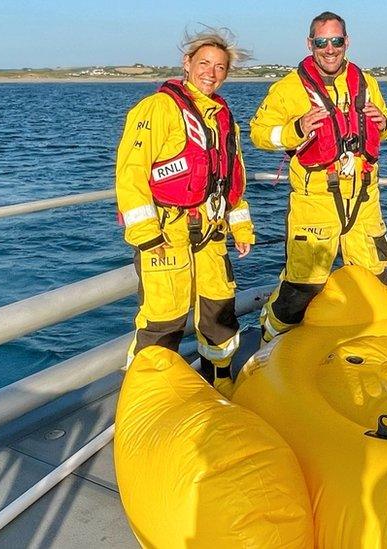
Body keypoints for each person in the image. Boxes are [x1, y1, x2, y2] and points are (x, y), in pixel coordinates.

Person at [115, 28, 254, 397]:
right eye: (204, 63)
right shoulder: (157, 109)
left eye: (220, 67)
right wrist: (146, 235)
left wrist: (242, 227)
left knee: (219, 314)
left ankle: (219, 379)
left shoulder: (223, 118)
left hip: (211, 236)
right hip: (166, 236)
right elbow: (131, 174)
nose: (211, 72)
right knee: (164, 320)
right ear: (187, 64)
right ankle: (148, 395)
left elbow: (230, 179)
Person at [250, 11, 387, 343]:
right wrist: (295, 129)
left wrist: (382, 124)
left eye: (337, 41)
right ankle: (267, 343)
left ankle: (375, 348)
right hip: (315, 204)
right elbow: (258, 134)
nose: (330, 49)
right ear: (310, 43)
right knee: (303, 288)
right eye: (322, 42)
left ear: (347, 42)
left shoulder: (367, 82)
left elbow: (385, 127)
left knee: (377, 282)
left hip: (363, 202)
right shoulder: (288, 89)